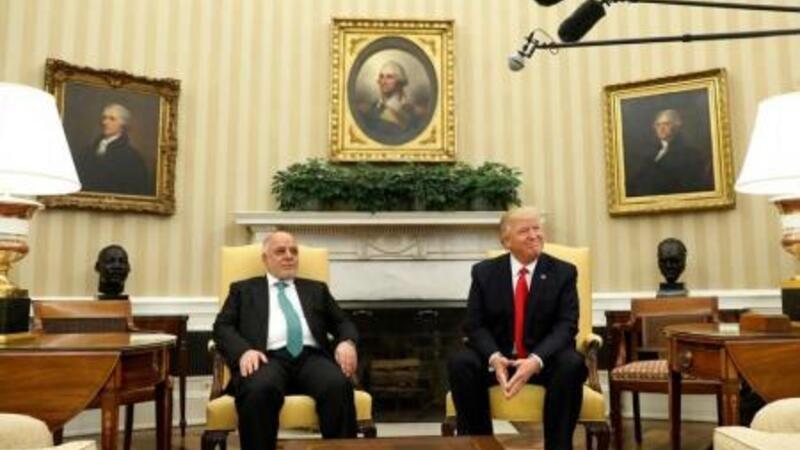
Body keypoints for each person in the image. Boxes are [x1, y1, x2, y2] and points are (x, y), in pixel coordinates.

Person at [447, 206, 587, 450]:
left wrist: (535, 360)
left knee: (572, 364)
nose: (534, 235)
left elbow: (566, 326)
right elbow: (474, 325)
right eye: (524, 231)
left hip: (544, 360)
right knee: (461, 362)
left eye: (537, 228)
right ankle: (480, 445)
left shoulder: (563, 272)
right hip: (499, 360)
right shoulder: (484, 272)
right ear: (506, 241)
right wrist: (494, 357)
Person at [213, 231, 358, 450]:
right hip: (265, 359)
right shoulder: (243, 290)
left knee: (338, 386)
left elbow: (342, 322)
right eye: (281, 251)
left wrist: (347, 342)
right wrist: (244, 351)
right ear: (265, 259)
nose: (289, 256)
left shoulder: (316, 289)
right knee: (258, 390)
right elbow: (222, 327)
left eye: (294, 251)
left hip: (311, 358)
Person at [626, 109, 714, 197]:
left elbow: (688, 187)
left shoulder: (690, 154)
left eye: (666, 124)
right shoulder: (650, 153)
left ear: (677, 126)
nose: (661, 128)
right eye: (658, 125)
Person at [73, 103, 154, 196]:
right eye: (104, 118)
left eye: (112, 119)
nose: (105, 122)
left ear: (123, 124)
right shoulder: (87, 151)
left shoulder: (132, 157)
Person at [361, 60, 426, 144]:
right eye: (381, 77)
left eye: (389, 77)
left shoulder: (410, 111)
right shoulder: (372, 109)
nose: (383, 82)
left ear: (400, 82)